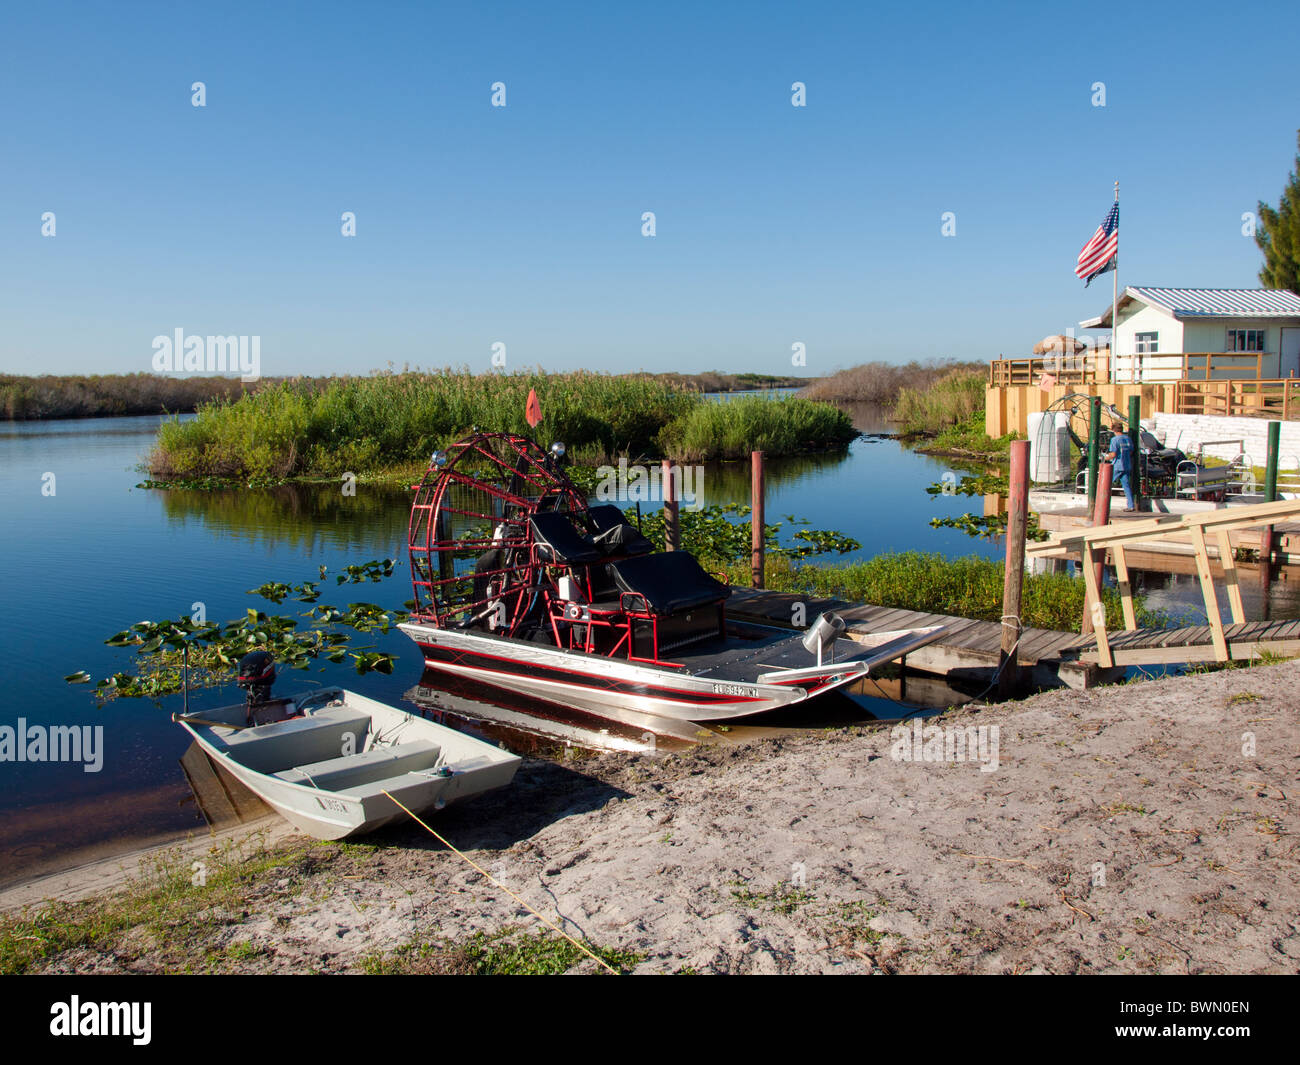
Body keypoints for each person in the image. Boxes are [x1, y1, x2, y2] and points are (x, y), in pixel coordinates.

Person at [1105, 419, 1136, 512]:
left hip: (1117, 465)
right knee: (1126, 485)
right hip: (1127, 465)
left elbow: (1113, 454)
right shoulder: (1128, 439)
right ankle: (1131, 505)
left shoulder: (1114, 440)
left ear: (1114, 430)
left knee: (1106, 483)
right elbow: (1131, 451)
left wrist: (1105, 458)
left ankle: (1102, 504)